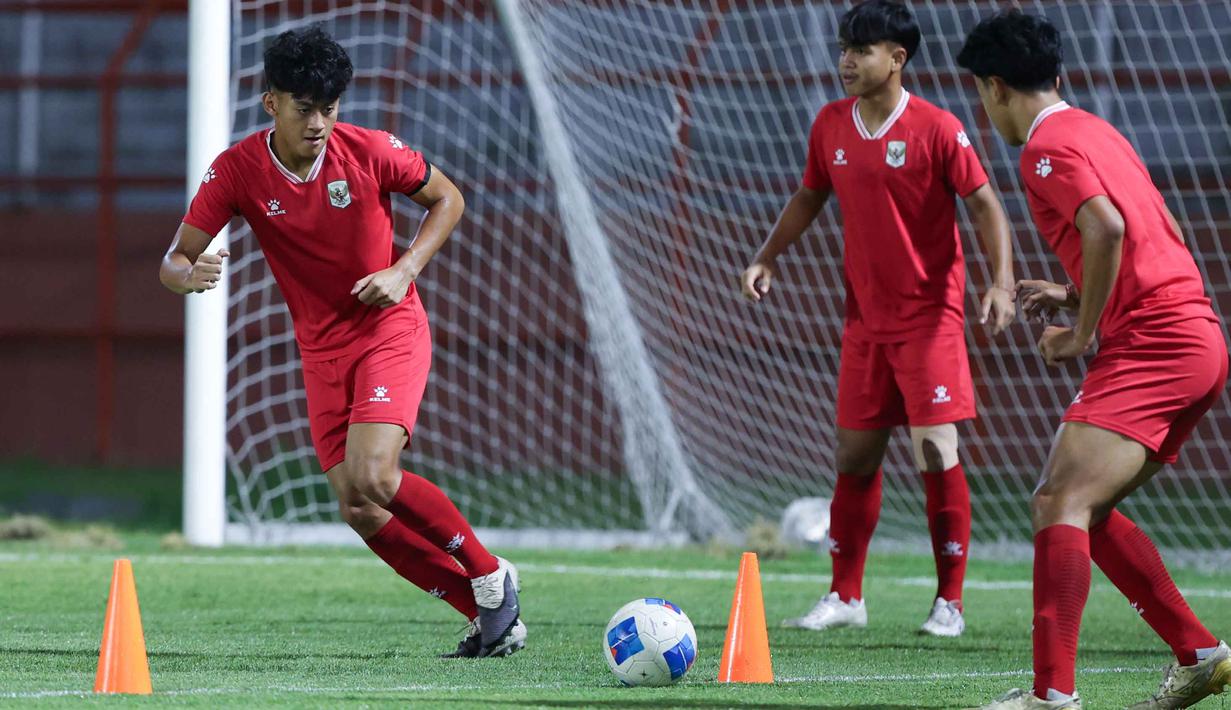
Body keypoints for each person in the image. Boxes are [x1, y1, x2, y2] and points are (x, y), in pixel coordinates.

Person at [160, 27, 524, 659]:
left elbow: (448, 198)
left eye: (330, 108)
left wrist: (404, 268)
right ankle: (488, 616)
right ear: (271, 102)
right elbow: (175, 257)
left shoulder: (371, 149)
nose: (320, 122)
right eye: (306, 108)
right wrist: (186, 276)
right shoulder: (237, 170)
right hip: (322, 353)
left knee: (375, 475)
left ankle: (492, 577)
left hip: (389, 329)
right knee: (358, 507)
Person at [956, 9, 1230, 709]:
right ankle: (1199, 654)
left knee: (1055, 499)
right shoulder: (1097, 129)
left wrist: (1080, 331)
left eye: (980, 95)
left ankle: (1051, 698)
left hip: (1154, 343)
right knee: (1086, 507)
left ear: (992, 88)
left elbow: (1105, 226)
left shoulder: (1040, 151)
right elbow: (1154, 227)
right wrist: (1078, 289)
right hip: (1193, 334)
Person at [740, 0, 1015, 637]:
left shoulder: (939, 128)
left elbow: (984, 205)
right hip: (864, 321)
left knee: (934, 451)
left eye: (862, 50)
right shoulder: (830, 125)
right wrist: (767, 256)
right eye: (844, 48)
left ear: (897, 58)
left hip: (931, 318)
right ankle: (845, 596)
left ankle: (950, 602)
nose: (846, 60)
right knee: (854, 455)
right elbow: (810, 194)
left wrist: (1000, 283)